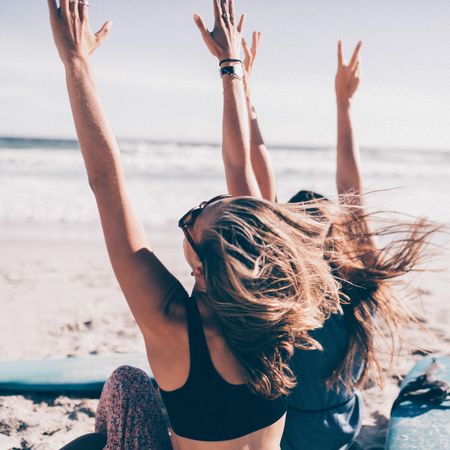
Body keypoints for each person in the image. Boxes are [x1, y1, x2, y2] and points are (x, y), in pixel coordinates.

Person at [49, 1, 344, 449]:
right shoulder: (282, 309)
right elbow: (238, 163)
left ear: (202, 269)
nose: (191, 213)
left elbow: (107, 182)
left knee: (128, 386)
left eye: (192, 220)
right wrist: (233, 68)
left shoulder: (171, 325)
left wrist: (75, 62)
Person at [229, 34, 436, 450]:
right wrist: (344, 104)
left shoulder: (278, 293)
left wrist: (245, 95)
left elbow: (255, 192)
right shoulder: (360, 289)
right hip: (341, 431)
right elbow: (352, 198)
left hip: (284, 435)